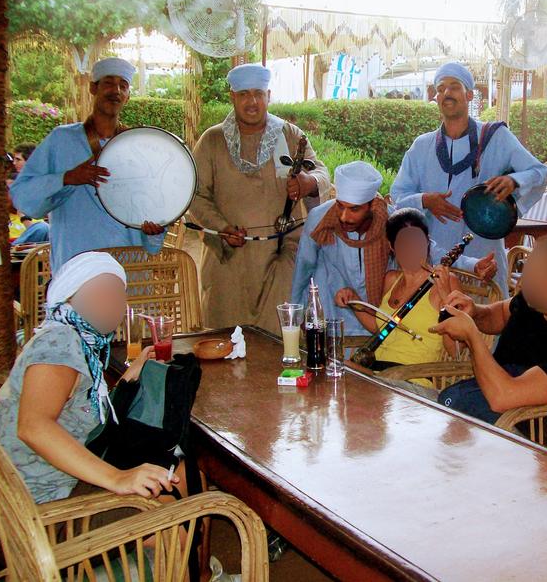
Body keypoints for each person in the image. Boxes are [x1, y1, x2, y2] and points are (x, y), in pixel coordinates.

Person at [0, 252, 178, 504]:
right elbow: (33, 426)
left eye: (118, 293)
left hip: (52, 479)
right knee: (173, 487)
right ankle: (154, 541)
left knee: (173, 471)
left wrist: (127, 378)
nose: (112, 302)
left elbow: (76, 409)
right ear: (69, 296)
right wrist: (117, 478)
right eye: (100, 292)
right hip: (38, 500)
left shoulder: (79, 340)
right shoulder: (61, 341)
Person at [189, 63, 330, 333]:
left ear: (268, 96)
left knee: (281, 338)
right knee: (227, 342)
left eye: (258, 93)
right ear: (233, 97)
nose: (252, 101)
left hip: (281, 257)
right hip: (228, 258)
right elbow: (196, 195)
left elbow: (321, 173)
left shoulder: (289, 135)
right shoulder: (212, 140)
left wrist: (307, 182)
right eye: (244, 94)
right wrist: (221, 227)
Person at [391, 62, 547, 296]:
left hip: (483, 257)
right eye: (441, 88)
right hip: (434, 258)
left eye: (454, 86)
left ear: (469, 94)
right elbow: (398, 197)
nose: (446, 93)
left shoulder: (497, 137)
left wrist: (514, 181)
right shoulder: (421, 146)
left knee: (484, 324)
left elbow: (539, 172)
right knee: (435, 327)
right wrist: (424, 200)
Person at [291, 161, 496, 336]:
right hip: (333, 312)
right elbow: (303, 267)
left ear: (372, 205)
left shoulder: (389, 219)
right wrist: (296, 316)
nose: (344, 216)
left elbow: (428, 250)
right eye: (340, 206)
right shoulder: (320, 219)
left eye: (354, 209)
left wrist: (473, 264)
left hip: (376, 317)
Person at [430, 234, 547, 425]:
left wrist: (472, 336)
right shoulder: (532, 304)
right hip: (475, 418)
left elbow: (503, 397)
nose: (523, 283)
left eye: (534, 278)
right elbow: (498, 315)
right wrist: (474, 311)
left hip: (517, 439)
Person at [10, 57, 165, 271]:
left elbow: (149, 209)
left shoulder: (136, 146)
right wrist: (66, 178)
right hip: (76, 267)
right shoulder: (61, 139)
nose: (116, 91)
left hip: (129, 269)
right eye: (109, 83)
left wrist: (153, 233)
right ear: (93, 88)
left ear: (128, 96)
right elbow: (23, 198)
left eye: (123, 85)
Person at [335, 208, 461, 372]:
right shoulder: (391, 279)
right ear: (392, 246)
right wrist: (353, 300)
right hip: (376, 369)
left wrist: (446, 298)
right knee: (331, 369)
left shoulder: (446, 282)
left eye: (417, 242)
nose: (412, 249)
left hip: (410, 377)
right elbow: (380, 327)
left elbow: (454, 350)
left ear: (427, 243)